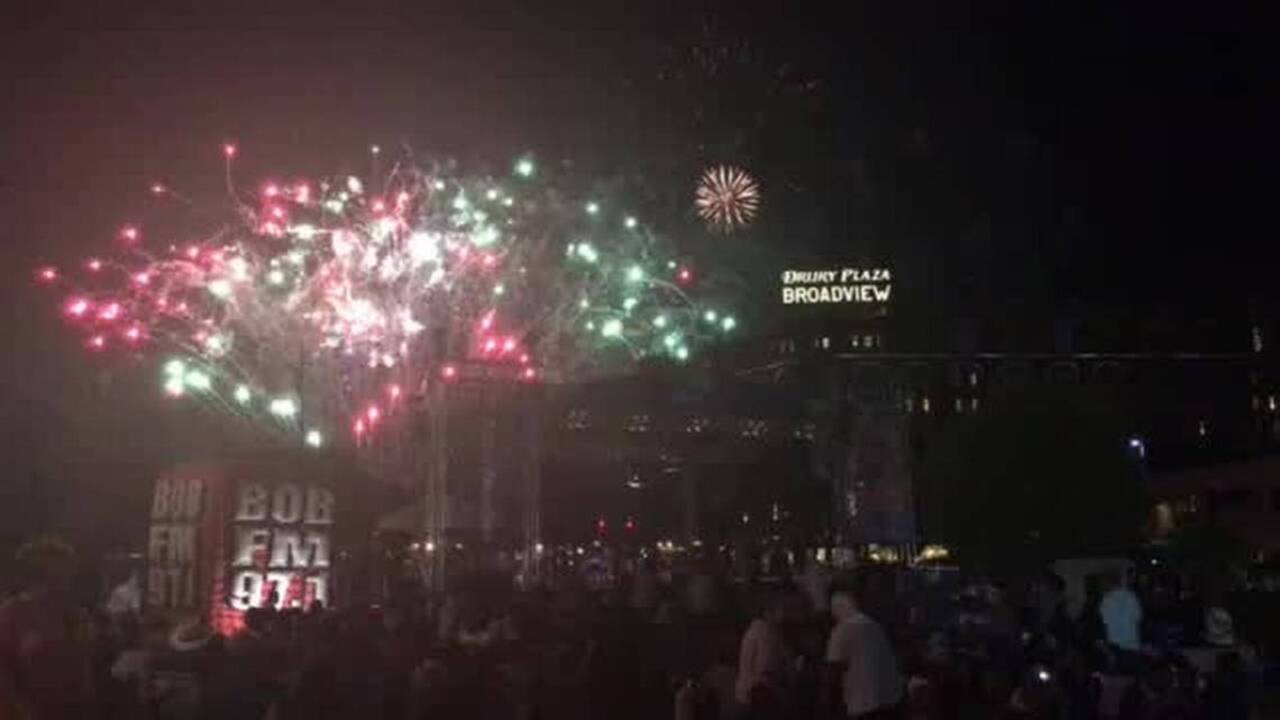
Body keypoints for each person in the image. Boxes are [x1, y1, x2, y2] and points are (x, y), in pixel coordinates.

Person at [0, 536, 95, 719]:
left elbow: (83, 669)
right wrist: (20, 710)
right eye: (58, 571)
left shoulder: (75, 614)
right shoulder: (11, 614)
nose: (65, 578)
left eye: (67, 571)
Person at [826, 586, 903, 719]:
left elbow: (833, 672)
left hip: (864, 706)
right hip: (890, 704)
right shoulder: (873, 625)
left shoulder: (842, 630)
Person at [735, 594, 789, 710]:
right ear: (767, 613)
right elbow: (765, 668)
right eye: (779, 610)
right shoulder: (765, 631)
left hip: (747, 693)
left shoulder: (758, 628)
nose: (783, 614)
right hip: (758, 694)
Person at [1098, 570, 1142, 669]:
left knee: (1117, 679)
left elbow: (1103, 624)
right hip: (1132, 646)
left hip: (1115, 648)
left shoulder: (1106, 600)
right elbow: (1138, 619)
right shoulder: (1132, 597)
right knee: (1132, 678)